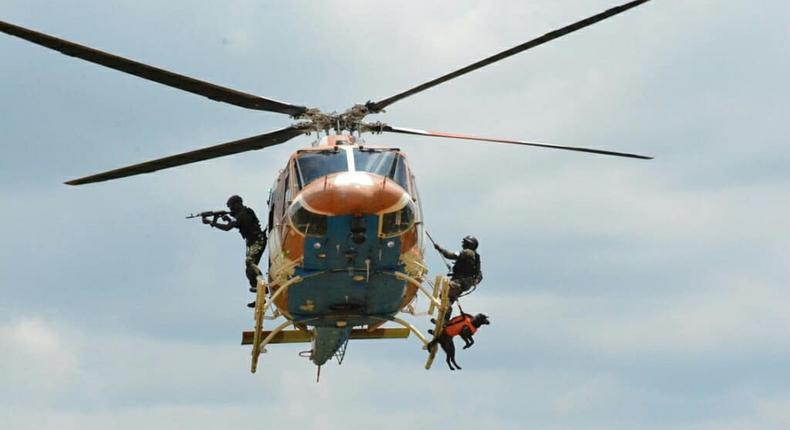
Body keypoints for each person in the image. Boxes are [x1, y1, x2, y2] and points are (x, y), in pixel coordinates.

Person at [203, 195, 267, 307]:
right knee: (249, 268)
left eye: (231, 206)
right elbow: (238, 224)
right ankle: (260, 294)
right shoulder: (242, 213)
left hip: (257, 240)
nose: (230, 209)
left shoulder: (242, 214)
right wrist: (225, 217)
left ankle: (262, 288)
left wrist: (211, 222)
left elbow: (227, 227)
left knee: (250, 264)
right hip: (252, 242)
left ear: (237, 204)